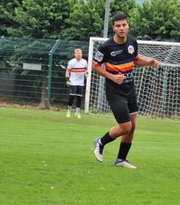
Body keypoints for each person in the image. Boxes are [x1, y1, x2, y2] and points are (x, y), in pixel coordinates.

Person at [91, 12, 160, 169]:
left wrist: (149, 62)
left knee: (133, 125)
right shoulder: (105, 47)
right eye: (118, 26)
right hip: (115, 92)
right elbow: (95, 66)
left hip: (130, 89)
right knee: (126, 127)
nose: (121, 28)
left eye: (124, 25)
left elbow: (135, 59)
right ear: (113, 28)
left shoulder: (132, 42)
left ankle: (121, 159)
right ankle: (100, 142)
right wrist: (111, 76)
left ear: (128, 26)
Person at [65, 48, 88, 118]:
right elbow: (67, 71)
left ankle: (78, 112)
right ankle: (69, 110)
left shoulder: (84, 61)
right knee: (72, 96)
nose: (79, 55)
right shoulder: (71, 62)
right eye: (77, 53)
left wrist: (86, 73)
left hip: (81, 82)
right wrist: (67, 80)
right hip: (73, 82)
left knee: (79, 97)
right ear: (75, 54)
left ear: (82, 54)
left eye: (80, 53)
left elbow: (86, 69)